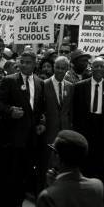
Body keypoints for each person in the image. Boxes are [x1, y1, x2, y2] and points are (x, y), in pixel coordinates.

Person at [0, 50, 44, 207]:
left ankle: (17, 202)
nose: (24, 65)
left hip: (30, 137)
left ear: (35, 64)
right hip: (12, 135)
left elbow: (39, 108)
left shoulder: (39, 82)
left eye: (28, 62)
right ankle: (4, 203)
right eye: (22, 61)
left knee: (24, 172)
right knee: (9, 170)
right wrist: (10, 111)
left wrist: (41, 123)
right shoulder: (9, 80)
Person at [71, 58, 104, 182]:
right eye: (96, 66)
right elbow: (74, 110)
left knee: (100, 161)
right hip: (84, 128)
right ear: (91, 68)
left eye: (101, 66)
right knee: (84, 160)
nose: (98, 68)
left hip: (103, 129)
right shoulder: (80, 86)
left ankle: (97, 190)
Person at [38, 56, 72, 194]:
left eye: (63, 68)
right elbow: (40, 108)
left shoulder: (71, 86)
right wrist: (42, 123)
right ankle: (42, 194)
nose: (59, 70)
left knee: (61, 165)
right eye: (57, 67)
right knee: (45, 165)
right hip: (48, 131)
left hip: (64, 132)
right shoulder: (43, 84)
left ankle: (57, 194)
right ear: (53, 67)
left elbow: (71, 111)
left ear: (67, 69)